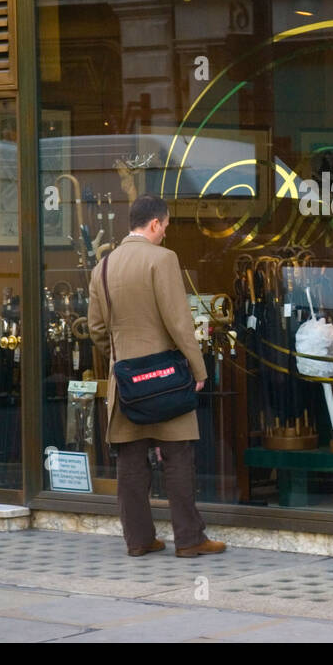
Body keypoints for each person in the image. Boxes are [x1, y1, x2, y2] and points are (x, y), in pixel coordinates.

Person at [88, 194, 227, 558]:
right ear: (154, 224)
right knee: (178, 457)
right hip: (166, 379)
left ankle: (138, 540)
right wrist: (198, 369)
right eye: (164, 226)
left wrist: (123, 360)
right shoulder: (163, 260)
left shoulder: (102, 268)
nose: (166, 233)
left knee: (130, 462)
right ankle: (190, 539)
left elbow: (97, 330)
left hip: (126, 383)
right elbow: (178, 321)